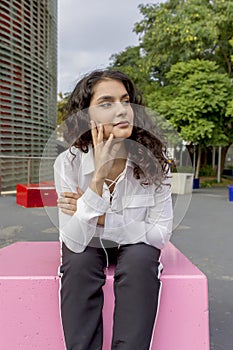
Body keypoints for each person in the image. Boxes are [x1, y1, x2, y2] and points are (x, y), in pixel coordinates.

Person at [54, 69, 173, 350]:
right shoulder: (68, 163)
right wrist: (98, 180)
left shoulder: (156, 162)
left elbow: (159, 235)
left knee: (141, 260)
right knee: (79, 261)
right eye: (107, 103)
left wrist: (103, 217)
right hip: (90, 246)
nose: (122, 110)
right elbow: (73, 239)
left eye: (126, 100)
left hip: (135, 248)